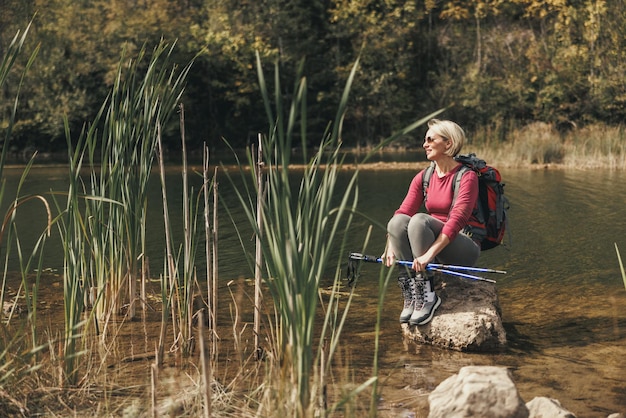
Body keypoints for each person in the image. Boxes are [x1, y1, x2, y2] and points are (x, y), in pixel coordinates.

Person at [382, 119, 481, 326]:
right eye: (425, 140)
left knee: (419, 220)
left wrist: (428, 255)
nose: (424, 144)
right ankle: (411, 293)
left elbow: (456, 222)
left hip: (462, 246)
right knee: (397, 222)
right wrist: (390, 247)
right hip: (432, 244)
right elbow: (402, 212)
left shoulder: (467, 177)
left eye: (430, 139)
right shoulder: (424, 176)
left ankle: (428, 295)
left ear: (448, 143)